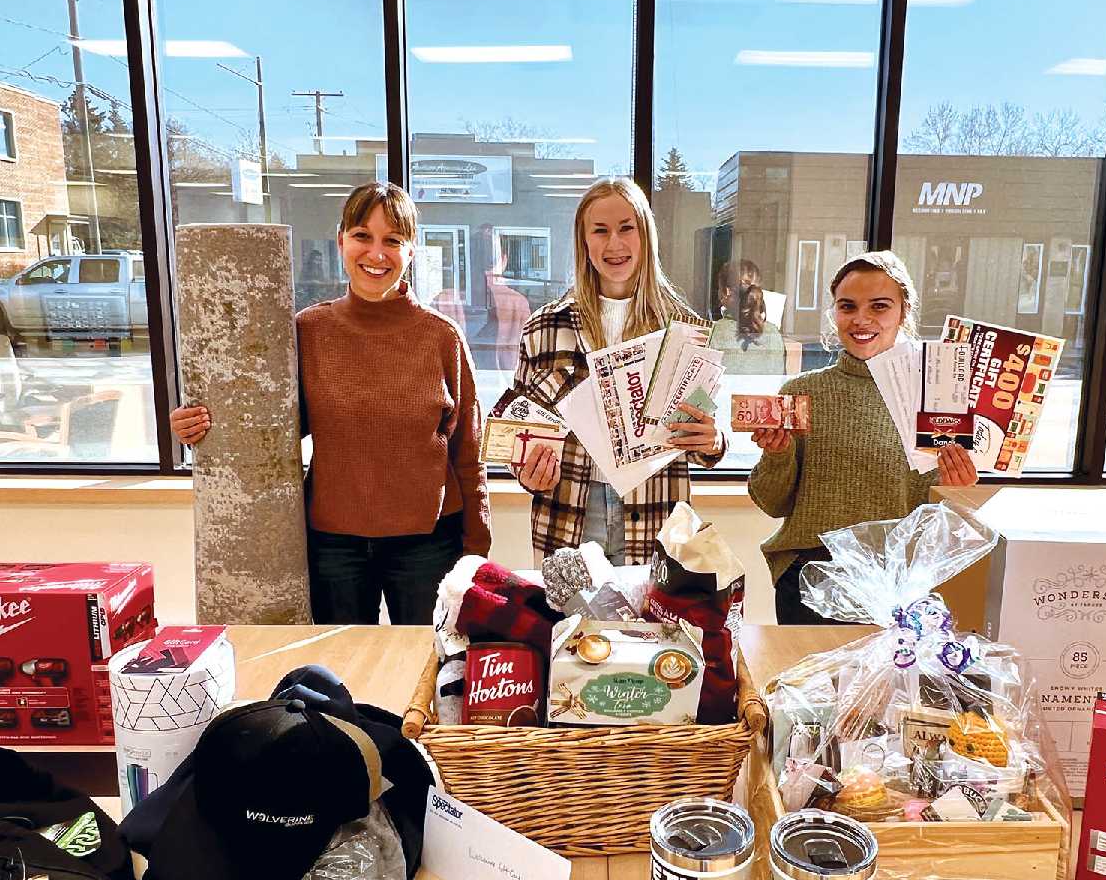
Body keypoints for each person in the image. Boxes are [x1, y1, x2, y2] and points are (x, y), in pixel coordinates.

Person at [169, 182, 491, 626]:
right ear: (340, 240)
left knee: (423, 670)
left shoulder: (441, 336)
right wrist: (198, 425)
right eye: (363, 235)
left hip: (428, 544)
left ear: (411, 252)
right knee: (338, 674)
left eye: (392, 241)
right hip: (334, 546)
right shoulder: (307, 330)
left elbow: (468, 454)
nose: (376, 254)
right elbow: (266, 428)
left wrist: (477, 551)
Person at [748, 250, 978, 624]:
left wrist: (959, 489)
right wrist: (778, 455)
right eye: (848, 306)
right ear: (834, 313)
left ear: (904, 312)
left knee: (890, 684)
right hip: (811, 579)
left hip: (899, 583)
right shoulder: (802, 392)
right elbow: (772, 503)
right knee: (815, 684)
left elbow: (941, 524)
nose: (861, 320)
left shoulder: (936, 397)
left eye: (880, 306)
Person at [510, 176, 724, 564]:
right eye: (601, 231)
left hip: (657, 514)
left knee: (649, 625)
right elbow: (519, 431)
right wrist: (526, 471)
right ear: (584, 241)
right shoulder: (543, 328)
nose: (615, 244)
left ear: (645, 236)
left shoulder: (683, 331)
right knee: (572, 626)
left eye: (627, 228)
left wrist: (712, 441)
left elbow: (704, 439)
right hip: (569, 514)